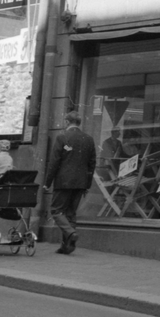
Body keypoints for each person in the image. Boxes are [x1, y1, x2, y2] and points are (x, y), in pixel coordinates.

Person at [45, 108, 96, 255]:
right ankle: (67, 246)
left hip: (63, 181)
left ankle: (70, 233)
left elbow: (54, 162)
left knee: (56, 210)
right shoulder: (89, 139)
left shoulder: (62, 137)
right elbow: (92, 164)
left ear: (67, 122)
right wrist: (87, 184)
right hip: (81, 182)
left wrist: (47, 182)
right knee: (71, 213)